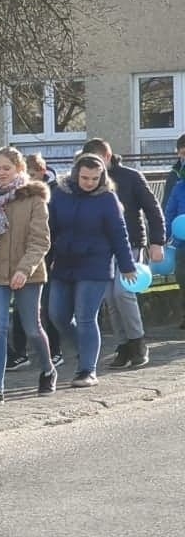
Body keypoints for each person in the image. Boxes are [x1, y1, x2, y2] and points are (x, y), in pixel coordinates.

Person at [46, 153, 138, 389]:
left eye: (95, 178)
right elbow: (49, 229)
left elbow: (119, 233)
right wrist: (46, 260)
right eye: (85, 177)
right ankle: (86, 348)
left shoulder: (107, 199)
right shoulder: (60, 194)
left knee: (86, 316)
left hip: (95, 264)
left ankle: (87, 369)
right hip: (64, 262)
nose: (89, 182)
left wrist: (127, 265)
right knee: (57, 315)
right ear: (76, 174)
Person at [0, 147, 56, 407]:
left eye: (6, 168)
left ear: (19, 169)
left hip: (27, 275)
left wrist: (24, 269)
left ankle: (48, 369)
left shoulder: (34, 200)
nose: (1, 173)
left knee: (32, 328)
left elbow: (41, 241)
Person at [81, 139, 163, 370]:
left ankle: (138, 342)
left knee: (123, 292)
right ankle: (123, 345)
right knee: (110, 297)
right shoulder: (90, 182)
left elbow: (152, 208)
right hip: (102, 249)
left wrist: (157, 242)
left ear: (106, 157)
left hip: (131, 243)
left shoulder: (130, 177)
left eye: (97, 161)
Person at [10, 152, 63, 369]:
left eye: (33, 174)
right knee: (20, 311)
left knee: (47, 309)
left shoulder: (55, 193)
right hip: (19, 259)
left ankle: (55, 352)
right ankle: (20, 352)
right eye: (26, 174)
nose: (30, 178)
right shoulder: (17, 194)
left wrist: (55, 256)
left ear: (42, 172)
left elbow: (55, 229)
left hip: (46, 259)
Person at [164, 134, 185, 331]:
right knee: (182, 275)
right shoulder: (177, 182)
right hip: (181, 240)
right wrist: (166, 234)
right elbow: (168, 209)